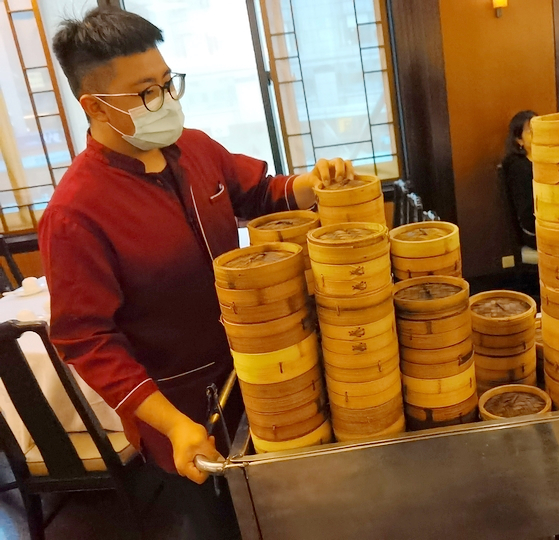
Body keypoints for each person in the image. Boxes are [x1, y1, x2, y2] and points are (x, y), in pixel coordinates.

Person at [43, 7, 353, 538]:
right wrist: (171, 425)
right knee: (221, 523)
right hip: (185, 414)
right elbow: (86, 339)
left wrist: (313, 183)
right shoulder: (75, 214)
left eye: (168, 83)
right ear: (94, 105)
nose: (164, 101)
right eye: (145, 92)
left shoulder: (195, 149)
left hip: (263, 367)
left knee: (293, 514)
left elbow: (258, 193)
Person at [501, 110, 537, 249]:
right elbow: (526, 214)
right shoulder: (518, 167)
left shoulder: (548, 160)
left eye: (538, 129)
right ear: (519, 140)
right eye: (530, 131)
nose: (536, 134)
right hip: (535, 232)